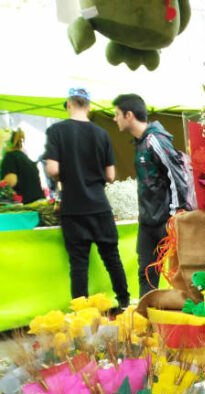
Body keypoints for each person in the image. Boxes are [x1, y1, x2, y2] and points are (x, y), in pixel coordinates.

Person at [45, 87, 130, 309]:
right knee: (112, 259)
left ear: (69, 104)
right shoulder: (102, 134)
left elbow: (53, 169)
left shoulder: (56, 131)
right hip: (100, 207)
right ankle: (123, 303)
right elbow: (111, 175)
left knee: (79, 266)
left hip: (73, 209)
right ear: (90, 107)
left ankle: (81, 314)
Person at [112, 93, 192, 297]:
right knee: (146, 273)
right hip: (148, 221)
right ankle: (147, 321)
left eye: (117, 114)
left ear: (128, 115)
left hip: (166, 220)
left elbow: (177, 176)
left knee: (180, 275)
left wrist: (175, 215)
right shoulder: (140, 143)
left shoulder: (154, 140)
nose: (114, 119)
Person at [1, 130, 45, 204]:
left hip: (24, 205)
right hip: (37, 204)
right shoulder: (25, 159)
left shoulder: (10, 157)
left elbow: (10, 182)